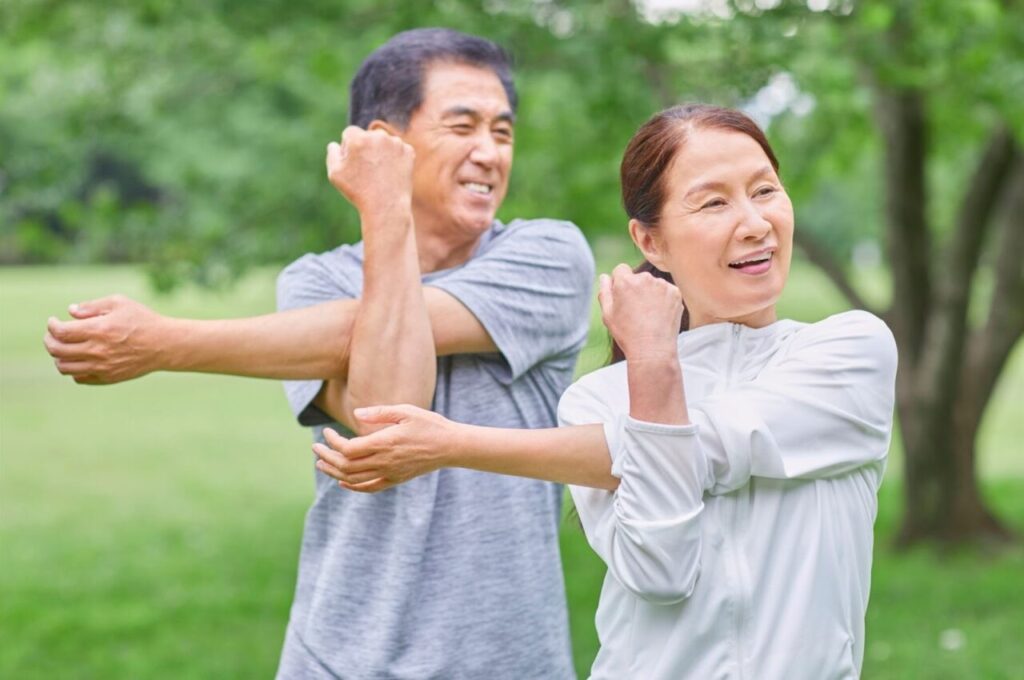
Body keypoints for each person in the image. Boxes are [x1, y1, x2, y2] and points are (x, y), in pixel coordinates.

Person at [44, 29, 592, 679]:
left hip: (507, 663)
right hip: (339, 658)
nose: (490, 153)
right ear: (383, 143)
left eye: (503, 132)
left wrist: (166, 342)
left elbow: (360, 350)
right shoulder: (315, 280)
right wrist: (387, 212)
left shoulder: (549, 256)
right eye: (463, 126)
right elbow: (387, 409)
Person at [311, 104, 898, 680]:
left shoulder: (849, 352)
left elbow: (716, 441)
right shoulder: (597, 400)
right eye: (715, 201)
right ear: (651, 241)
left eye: (765, 190)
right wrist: (652, 364)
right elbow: (661, 571)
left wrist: (455, 443)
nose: (754, 222)